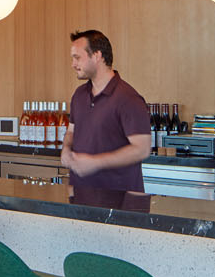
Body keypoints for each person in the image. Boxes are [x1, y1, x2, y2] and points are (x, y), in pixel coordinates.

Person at [62, 29, 151, 192]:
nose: (73, 64)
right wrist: (66, 149)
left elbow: (142, 149)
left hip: (119, 199)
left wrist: (96, 162)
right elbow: (71, 131)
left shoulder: (128, 98)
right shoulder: (79, 95)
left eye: (77, 57)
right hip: (80, 196)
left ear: (97, 56)